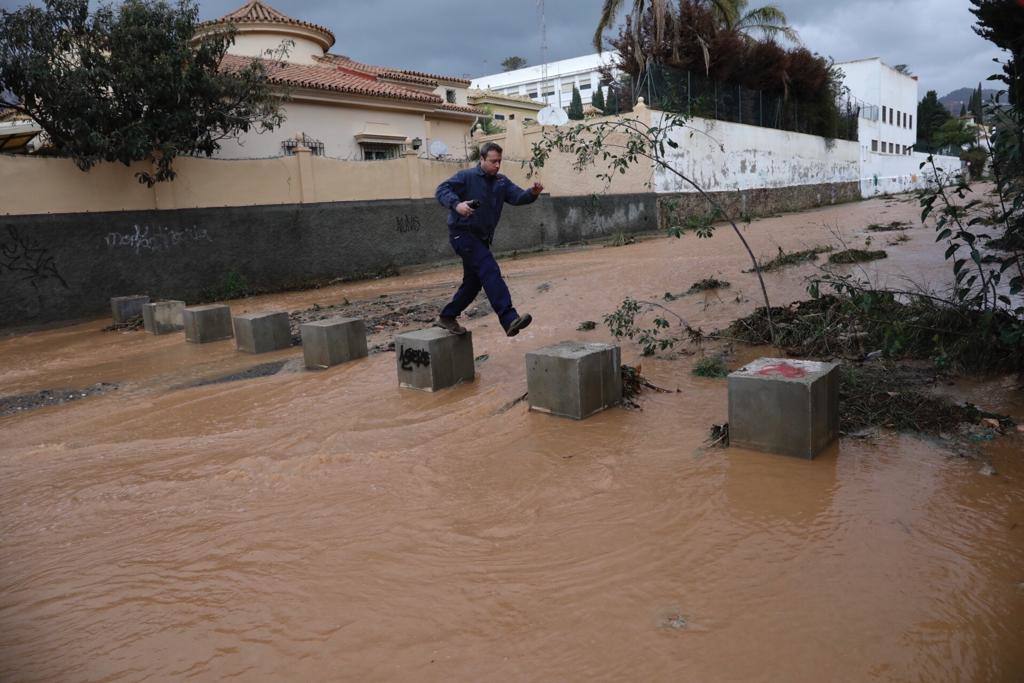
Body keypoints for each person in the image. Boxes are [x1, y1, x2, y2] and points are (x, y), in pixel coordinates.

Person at [434, 142, 543, 337]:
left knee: (473, 283)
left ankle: (447, 317)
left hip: (481, 239)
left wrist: (532, 193)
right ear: (482, 159)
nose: (497, 165)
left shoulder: (501, 182)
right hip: (462, 235)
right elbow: (441, 189)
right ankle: (509, 319)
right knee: (489, 269)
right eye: (493, 161)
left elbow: (517, 197)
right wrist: (457, 205)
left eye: (499, 161)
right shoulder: (466, 177)